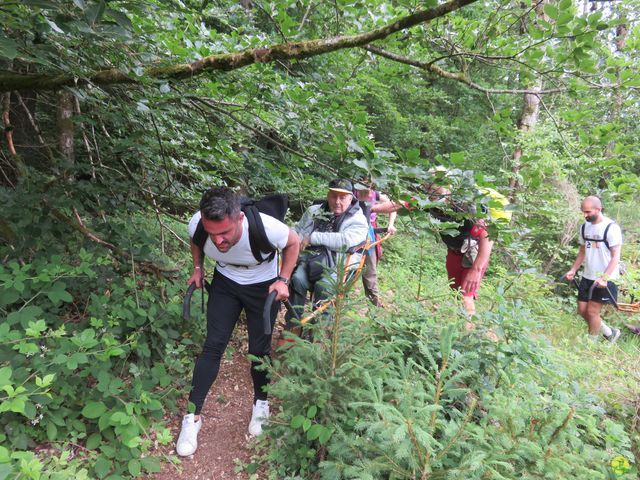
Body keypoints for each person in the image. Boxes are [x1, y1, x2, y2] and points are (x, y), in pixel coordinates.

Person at [176, 186, 300, 457]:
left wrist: (284, 279)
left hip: (263, 285)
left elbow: (294, 242)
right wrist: (198, 269)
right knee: (212, 346)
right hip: (225, 282)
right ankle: (192, 417)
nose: (218, 241)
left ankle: (261, 404)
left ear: (240, 218)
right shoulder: (198, 225)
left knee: (259, 350)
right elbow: (196, 240)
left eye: (224, 233)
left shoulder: (267, 227)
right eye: (212, 233)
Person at [284, 179, 368, 329]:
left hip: (339, 265)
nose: (337, 201)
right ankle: (293, 326)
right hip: (310, 260)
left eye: (342, 198)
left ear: (351, 198)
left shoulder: (358, 219)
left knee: (324, 287)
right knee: (297, 280)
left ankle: (319, 332)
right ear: (328, 195)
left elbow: (346, 240)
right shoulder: (314, 211)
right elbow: (298, 231)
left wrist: (313, 237)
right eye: (333, 196)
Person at [565, 196, 622, 342]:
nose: (585, 215)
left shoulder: (611, 228)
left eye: (588, 212)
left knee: (592, 311)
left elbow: (616, 257)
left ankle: (591, 344)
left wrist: (604, 277)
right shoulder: (584, 227)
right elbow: (582, 251)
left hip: (606, 278)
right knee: (582, 311)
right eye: (583, 212)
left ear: (599, 209)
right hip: (588, 275)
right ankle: (610, 333)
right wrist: (573, 269)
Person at [354, 180, 397, 307]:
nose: (365, 184)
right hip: (351, 229)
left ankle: (374, 303)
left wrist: (391, 224)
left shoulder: (376, 195)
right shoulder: (352, 193)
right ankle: (339, 300)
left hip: (368, 233)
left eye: (368, 182)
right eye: (362, 180)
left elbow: (394, 206)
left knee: (369, 269)